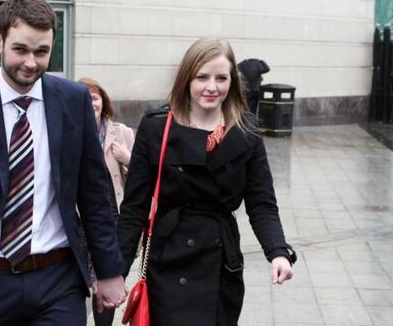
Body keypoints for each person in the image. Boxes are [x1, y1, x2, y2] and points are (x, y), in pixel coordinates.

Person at [0, 0, 127, 326]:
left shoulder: (73, 100)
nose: (31, 62)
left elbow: (94, 195)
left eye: (42, 52)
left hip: (58, 279)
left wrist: (108, 270)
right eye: (20, 49)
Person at [116, 38, 295, 326]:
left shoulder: (245, 131)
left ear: (232, 82)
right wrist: (116, 271)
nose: (212, 87)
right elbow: (134, 208)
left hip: (220, 264)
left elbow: (261, 203)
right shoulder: (156, 127)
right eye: (202, 77)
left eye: (221, 78)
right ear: (187, 78)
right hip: (169, 260)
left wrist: (278, 252)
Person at [77, 77, 135, 326]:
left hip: (114, 220)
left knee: (108, 279)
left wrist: (127, 158)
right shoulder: (70, 133)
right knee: (81, 282)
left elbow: (142, 177)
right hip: (79, 221)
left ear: (103, 101)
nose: (91, 104)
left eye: (95, 98)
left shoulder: (121, 133)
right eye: (85, 99)